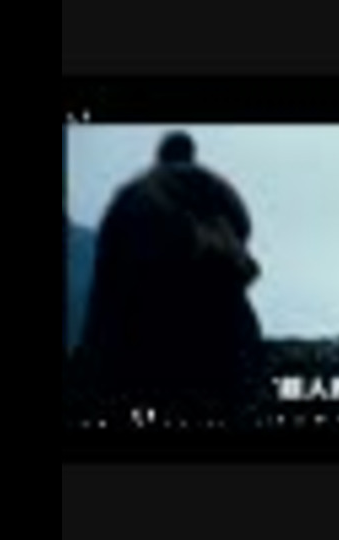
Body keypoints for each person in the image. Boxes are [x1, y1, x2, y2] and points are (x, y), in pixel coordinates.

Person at [80, 132, 264, 423]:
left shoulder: (135, 193)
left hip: (154, 306)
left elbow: (108, 268)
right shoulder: (218, 187)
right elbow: (244, 225)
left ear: (161, 155)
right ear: (190, 153)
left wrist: (95, 347)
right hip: (219, 302)